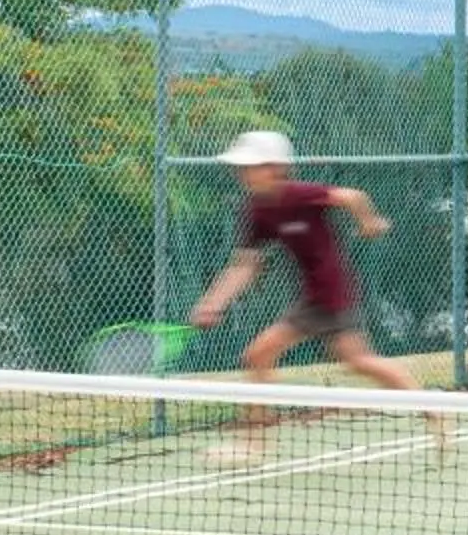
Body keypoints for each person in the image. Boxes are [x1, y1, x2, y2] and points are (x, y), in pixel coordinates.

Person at [189, 130, 448, 461]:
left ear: (276, 168)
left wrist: (369, 223)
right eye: (241, 166)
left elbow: (352, 196)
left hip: (335, 292)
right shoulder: (254, 211)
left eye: (251, 165)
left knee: (358, 362)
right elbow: (244, 265)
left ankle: (433, 408)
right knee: (260, 356)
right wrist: (213, 303)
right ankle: (254, 444)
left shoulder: (300, 194)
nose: (242, 172)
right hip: (311, 298)